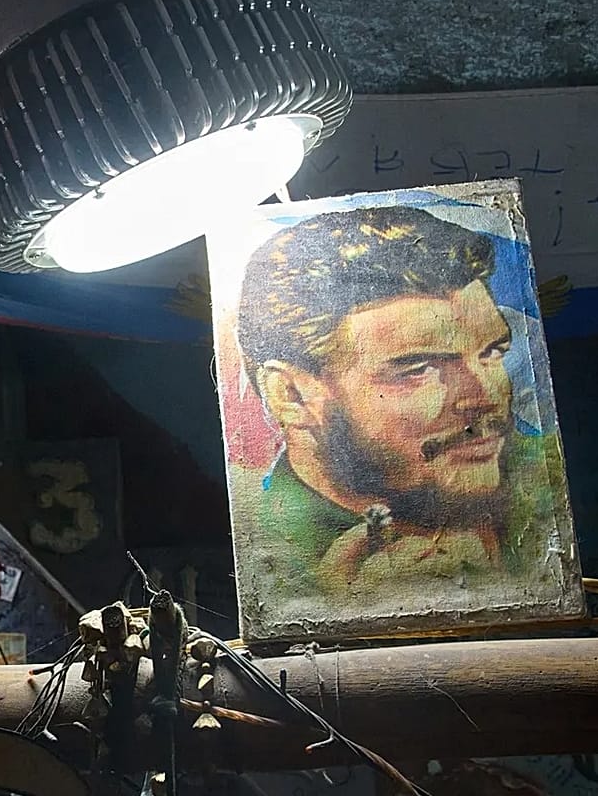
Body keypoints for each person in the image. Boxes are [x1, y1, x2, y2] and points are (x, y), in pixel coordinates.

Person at [233, 206, 561, 596]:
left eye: (491, 352)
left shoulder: (542, 479)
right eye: (419, 368)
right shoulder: (277, 558)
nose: (486, 397)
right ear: (291, 395)